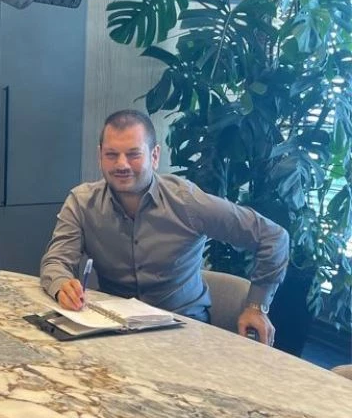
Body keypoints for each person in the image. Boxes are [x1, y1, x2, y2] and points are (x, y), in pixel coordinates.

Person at [40, 109, 289, 345]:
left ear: (155, 155)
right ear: (100, 156)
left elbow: (273, 237)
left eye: (133, 154)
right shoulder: (82, 202)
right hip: (113, 330)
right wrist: (62, 284)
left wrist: (257, 306)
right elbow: (56, 261)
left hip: (183, 331)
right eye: (112, 155)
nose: (122, 164)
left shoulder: (188, 202)